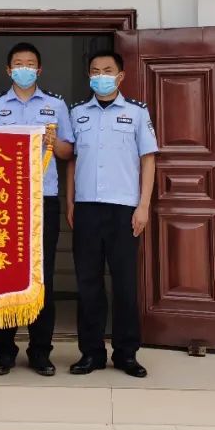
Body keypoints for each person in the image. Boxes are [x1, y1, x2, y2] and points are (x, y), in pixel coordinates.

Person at [0, 42, 74, 377]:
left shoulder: (55, 105)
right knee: (3, 273)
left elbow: (67, 152)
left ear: (39, 69)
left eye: (30, 63)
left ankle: (40, 352)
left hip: (42, 198)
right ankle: (3, 352)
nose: (24, 69)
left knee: (41, 277)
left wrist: (54, 143)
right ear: (9, 70)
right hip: (3, 199)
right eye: (18, 64)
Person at [66, 51, 157, 378]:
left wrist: (143, 206)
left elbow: (148, 159)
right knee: (88, 284)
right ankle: (91, 352)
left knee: (125, 284)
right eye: (95, 71)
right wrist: (70, 202)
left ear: (120, 76)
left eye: (107, 70)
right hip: (87, 208)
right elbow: (72, 160)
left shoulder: (136, 112)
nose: (100, 75)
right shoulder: (77, 113)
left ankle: (126, 353)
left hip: (123, 209)